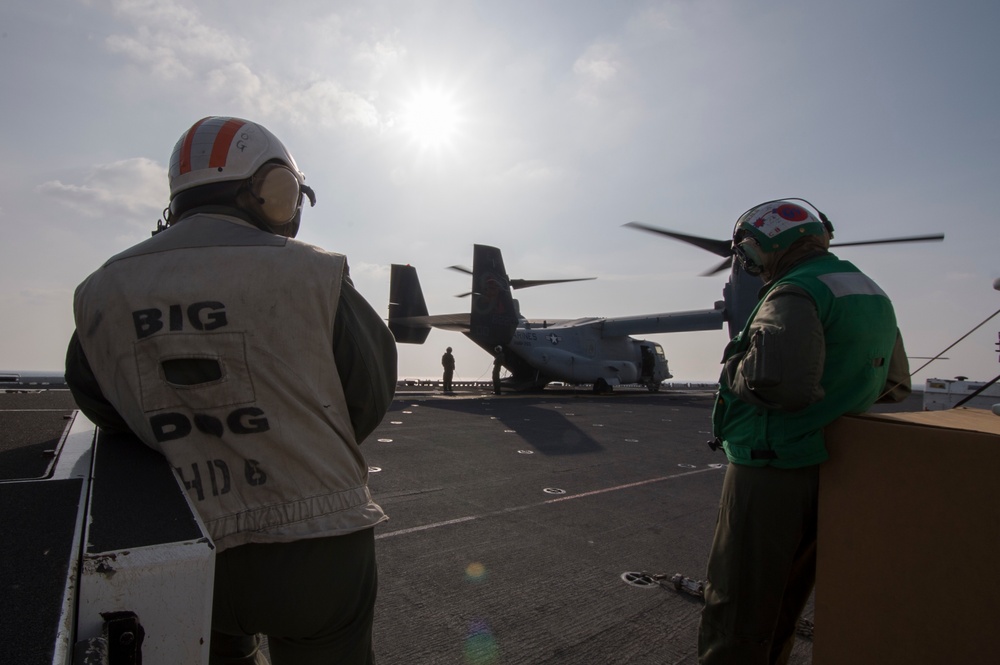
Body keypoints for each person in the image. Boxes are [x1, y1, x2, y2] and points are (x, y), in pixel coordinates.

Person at [64, 116, 397, 665]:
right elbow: (368, 393)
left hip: (186, 538)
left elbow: (100, 400)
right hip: (318, 541)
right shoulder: (316, 273)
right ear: (274, 190)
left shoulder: (101, 290)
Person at [697, 199, 910, 664]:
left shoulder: (793, 291)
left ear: (760, 247)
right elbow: (895, 385)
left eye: (747, 252)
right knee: (785, 601)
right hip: (831, 465)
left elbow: (781, 384)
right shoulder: (870, 291)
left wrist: (733, 367)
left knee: (738, 599)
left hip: (771, 466)